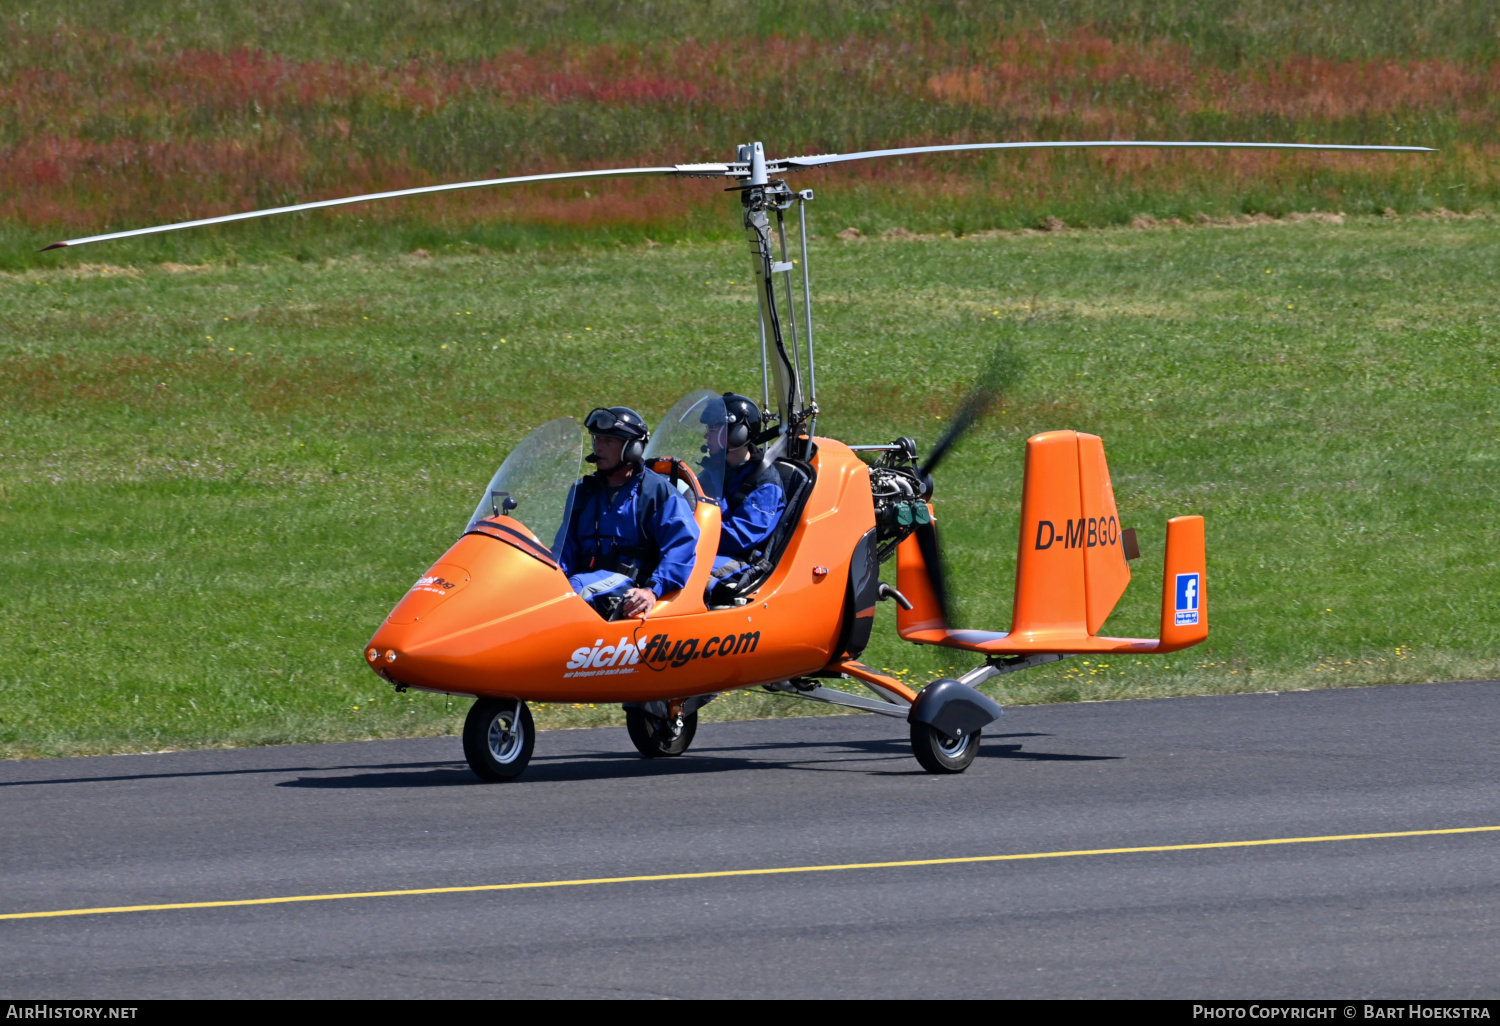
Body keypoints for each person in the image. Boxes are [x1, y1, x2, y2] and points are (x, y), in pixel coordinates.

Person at [555, 406, 700, 619]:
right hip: (584, 578)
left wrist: (652, 589)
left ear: (632, 449)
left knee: (576, 590)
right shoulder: (583, 491)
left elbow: (682, 546)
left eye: (608, 441)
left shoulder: (656, 492)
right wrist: (548, 580)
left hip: (631, 584)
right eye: (596, 439)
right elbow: (564, 549)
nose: (598, 447)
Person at [699, 393, 785, 583]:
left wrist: (693, 532)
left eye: (712, 429)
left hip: (737, 560)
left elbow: (741, 536)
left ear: (738, 434)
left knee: (687, 574)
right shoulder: (715, 470)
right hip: (709, 548)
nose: (707, 435)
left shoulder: (766, 485)